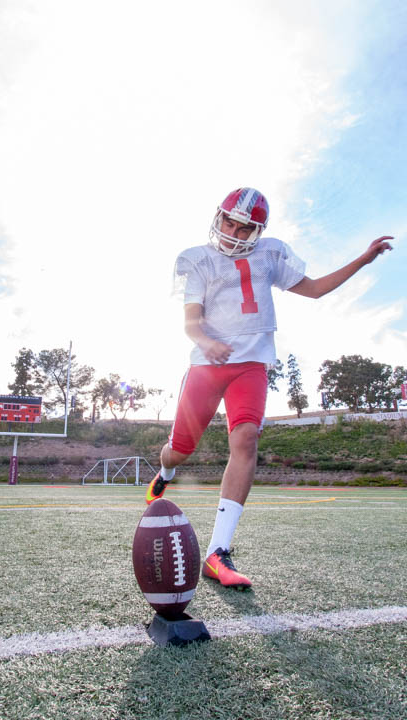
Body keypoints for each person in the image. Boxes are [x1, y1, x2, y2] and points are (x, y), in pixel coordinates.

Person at [145, 187, 393, 590]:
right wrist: (208, 342)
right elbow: (190, 322)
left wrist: (363, 260)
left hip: (251, 367)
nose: (234, 233)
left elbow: (314, 289)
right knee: (181, 448)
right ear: (218, 217)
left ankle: (217, 551)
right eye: (229, 222)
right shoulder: (198, 260)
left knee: (246, 439)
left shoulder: (269, 256)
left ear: (258, 231)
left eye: (245, 229)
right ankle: (166, 470)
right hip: (208, 366)